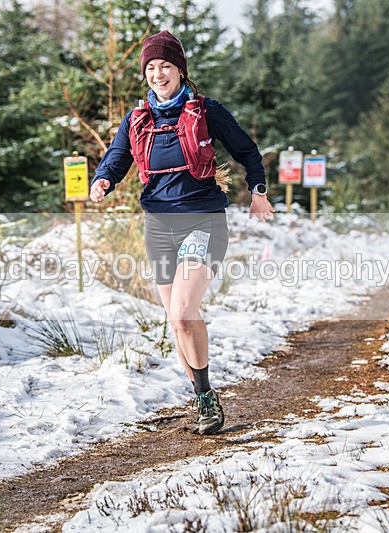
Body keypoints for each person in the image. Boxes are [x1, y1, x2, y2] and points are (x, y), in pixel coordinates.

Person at [89, 30, 274, 435]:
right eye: (151, 68)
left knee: (184, 313)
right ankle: (200, 397)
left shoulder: (207, 111)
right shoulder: (138, 118)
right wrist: (103, 180)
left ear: (180, 70)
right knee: (176, 322)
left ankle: (207, 398)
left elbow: (247, 151)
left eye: (165, 67)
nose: (158, 74)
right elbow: (116, 159)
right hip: (158, 225)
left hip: (202, 220)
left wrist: (258, 192)